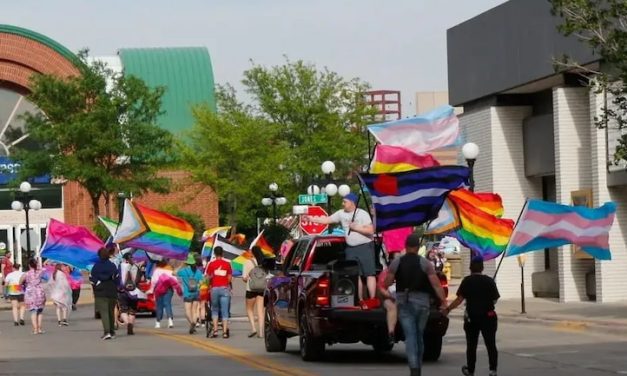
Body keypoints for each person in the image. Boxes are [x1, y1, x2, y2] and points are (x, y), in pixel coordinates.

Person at [384, 233, 448, 376]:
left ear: (405, 247)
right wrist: (443, 302)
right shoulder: (425, 263)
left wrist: (390, 280)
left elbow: (387, 283)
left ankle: (415, 369)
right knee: (418, 334)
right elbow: (437, 285)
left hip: (404, 302)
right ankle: (417, 366)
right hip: (422, 303)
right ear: (418, 247)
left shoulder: (397, 262)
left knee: (411, 336)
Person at [304, 193, 376, 300]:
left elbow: (371, 230)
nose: (342, 204)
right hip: (351, 248)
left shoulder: (362, 214)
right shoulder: (341, 214)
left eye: (345, 202)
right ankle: (359, 300)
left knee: (369, 274)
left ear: (352, 203)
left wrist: (356, 228)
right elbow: (327, 220)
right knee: (355, 275)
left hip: (365, 247)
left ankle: (372, 298)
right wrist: (311, 219)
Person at [444, 255, 500, 376]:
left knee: (471, 345)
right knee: (490, 344)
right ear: (482, 268)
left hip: (471, 318)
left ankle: (470, 370)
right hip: (488, 317)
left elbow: (459, 299)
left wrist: (448, 309)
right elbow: (495, 300)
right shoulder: (489, 281)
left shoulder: (467, 281)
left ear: (470, 268)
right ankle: (493, 370)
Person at [90, 247, 120, 340]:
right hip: (112, 290)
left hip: (101, 291)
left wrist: (98, 283)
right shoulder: (112, 266)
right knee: (111, 312)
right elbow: (117, 278)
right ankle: (112, 331)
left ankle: (107, 332)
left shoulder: (96, 266)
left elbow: (92, 278)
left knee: (104, 312)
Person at [206, 246, 232, 338]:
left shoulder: (211, 264)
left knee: (215, 310)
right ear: (222, 253)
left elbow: (208, 277)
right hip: (224, 289)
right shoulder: (227, 264)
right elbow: (229, 278)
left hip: (214, 289)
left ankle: (215, 330)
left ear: (214, 253)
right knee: (225, 311)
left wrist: (210, 284)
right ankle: (224, 332)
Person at [242, 246, 267, 339]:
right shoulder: (264, 262)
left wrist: (248, 277)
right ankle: (261, 332)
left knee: (249, 309)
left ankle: (253, 328)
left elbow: (244, 279)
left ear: (252, 253)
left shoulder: (248, 262)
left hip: (251, 288)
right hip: (262, 288)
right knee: (260, 311)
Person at [177, 253, 204, 335]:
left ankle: (192, 322)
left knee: (187, 311)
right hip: (196, 292)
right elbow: (202, 282)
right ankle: (194, 324)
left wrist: (182, 264)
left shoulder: (184, 271)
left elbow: (174, 273)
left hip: (187, 293)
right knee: (195, 311)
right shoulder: (198, 272)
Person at [118, 253, 143, 335]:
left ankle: (127, 323)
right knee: (132, 310)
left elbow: (117, 277)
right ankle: (131, 324)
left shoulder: (120, 266)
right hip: (134, 291)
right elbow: (140, 279)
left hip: (122, 291)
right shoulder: (136, 267)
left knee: (123, 310)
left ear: (124, 259)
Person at [151, 259, 180, 329]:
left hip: (159, 289)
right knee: (167, 304)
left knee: (159, 305)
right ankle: (170, 321)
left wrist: (151, 290)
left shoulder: (157, 270)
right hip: (169, 289)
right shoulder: (170, 269)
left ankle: (158, 322)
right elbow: (175, 280)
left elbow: (154, 281)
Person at [21, 259, 47, 335]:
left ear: (29, 265)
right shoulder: (40, 272)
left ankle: (35, 329)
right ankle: (39, 329)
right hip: (39, 292)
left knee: (33, 312)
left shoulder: (26, 274)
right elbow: (46, 274)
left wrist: (24, 283)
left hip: (30, 293)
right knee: (39, 312)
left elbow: (20, 281)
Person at [377, 253, 398, 343]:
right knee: (391, 306)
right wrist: (391, 296)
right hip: (387, 298)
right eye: (396, 259)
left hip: (404, 298)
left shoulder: (407, 272)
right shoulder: (386, 272)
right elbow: (381, 289)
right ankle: (391, 333)